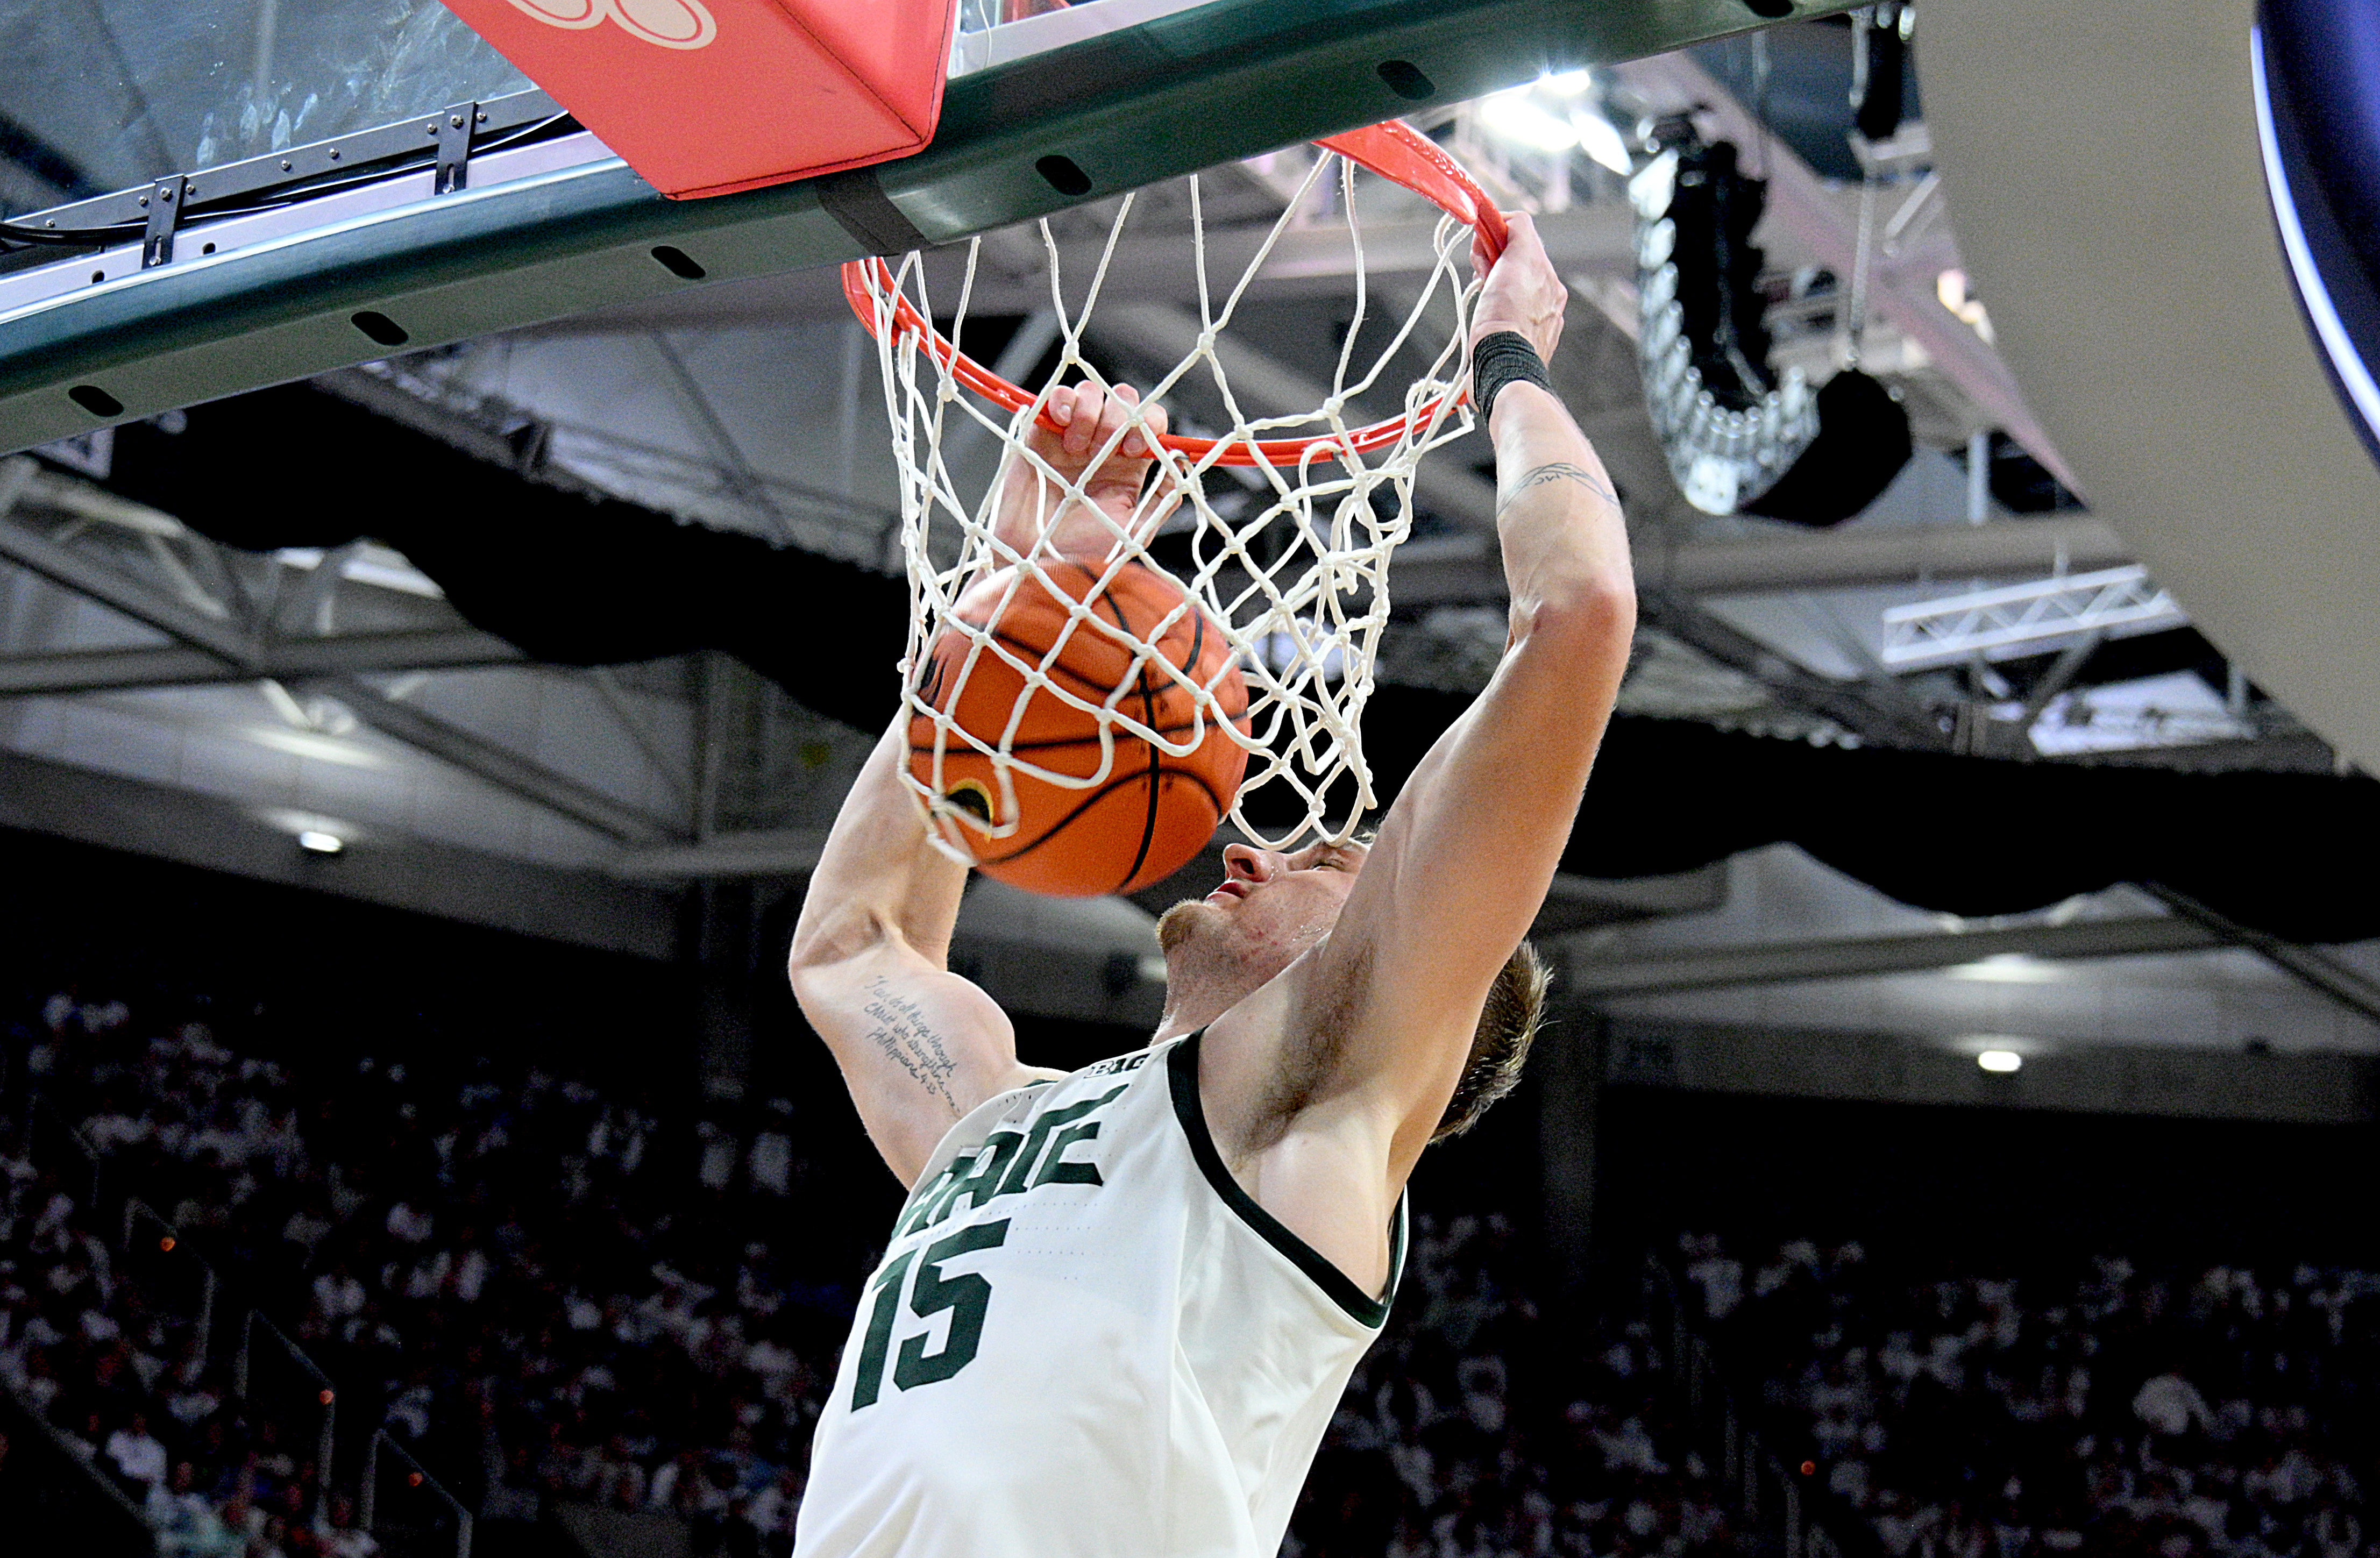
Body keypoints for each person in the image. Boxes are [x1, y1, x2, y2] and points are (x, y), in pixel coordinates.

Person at [787, 210, 1634, 1557]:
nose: (1251, 848)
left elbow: (1577, 612)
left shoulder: (1314, 1125)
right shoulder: (1002, 1124)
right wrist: (1022, 597)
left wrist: (1510, 363)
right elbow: (852, 944)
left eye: (1326, 862)